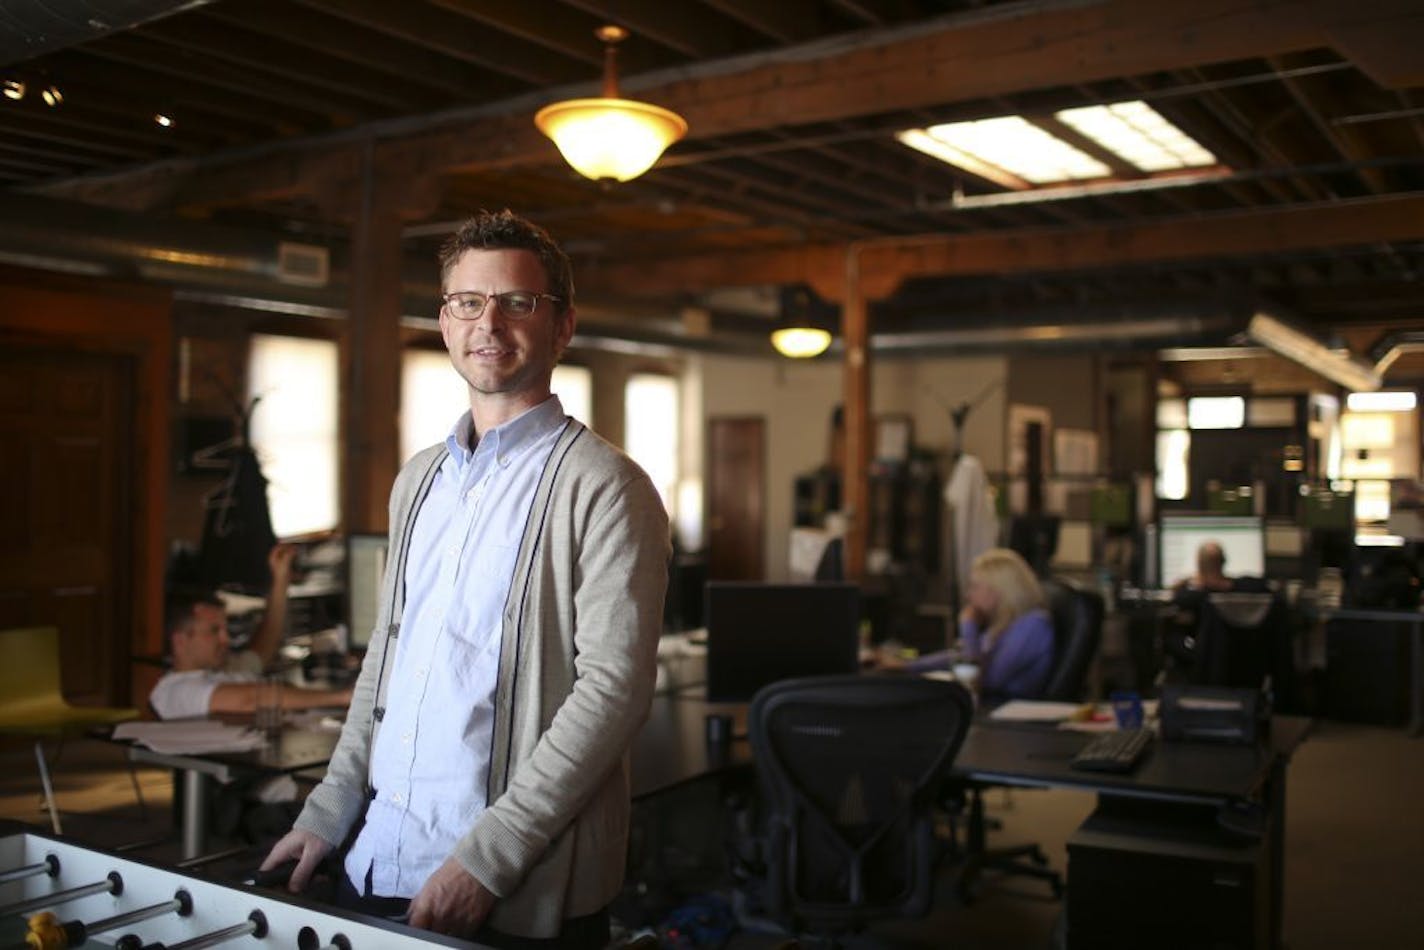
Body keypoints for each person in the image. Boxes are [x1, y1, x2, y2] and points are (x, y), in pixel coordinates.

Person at [260, 210, 670, 948]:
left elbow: (614, 691)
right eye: (468, 302)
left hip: (507, 882)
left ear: (562, 325)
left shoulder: (606, 486)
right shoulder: (419, 479)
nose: (490, 323)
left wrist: (485, 862)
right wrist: (329, 809)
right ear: (445, 322)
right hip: (377, 859)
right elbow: (386, 662)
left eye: (518, 302)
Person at [153, 544, 353, 719]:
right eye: (214, 631)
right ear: (180, 641)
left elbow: (263, 649)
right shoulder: (173, 691)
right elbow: (250, 698)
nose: (226, 639)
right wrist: (343, 697)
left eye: (225, 628)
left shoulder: (227, 670)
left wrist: (280, 579)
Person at [897, 548, 1055, 703]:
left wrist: (969, 626)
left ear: (999, 589)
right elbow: (961, 656)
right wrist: (909, 666)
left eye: (975, 586)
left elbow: (984, 679)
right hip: (988, 705)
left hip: (1008, 714)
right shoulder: (1004, 624)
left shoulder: (1032, 624)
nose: (969, 594)